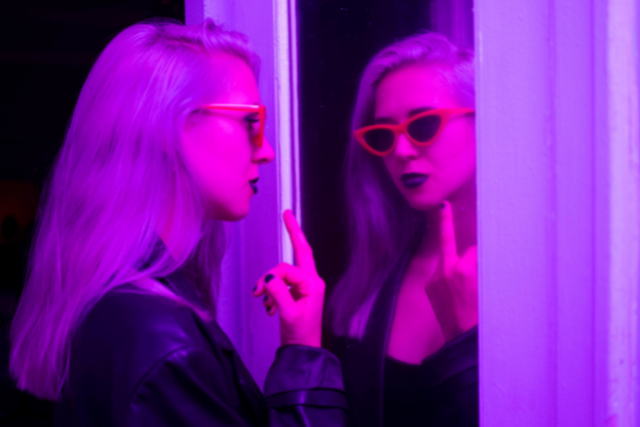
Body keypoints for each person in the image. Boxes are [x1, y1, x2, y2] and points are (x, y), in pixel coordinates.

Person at [10, 19, 347, 426]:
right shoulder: (164, 347)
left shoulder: (119, 302)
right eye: (250, 123)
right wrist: (305, 356)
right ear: (171, 129)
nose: (267, 152)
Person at [328, 32, 478, 427]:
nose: (401, 151)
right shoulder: (373, 280)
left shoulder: (533, 279)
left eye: (424, 125)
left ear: (483, 122)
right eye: (383, 135)